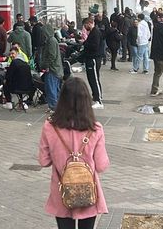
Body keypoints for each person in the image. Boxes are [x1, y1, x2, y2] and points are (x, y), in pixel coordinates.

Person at [38, 78, 110, 229]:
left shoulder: (50, 126)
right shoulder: (95, 129)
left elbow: (44, 161)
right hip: (87, 191)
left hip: (61, 191)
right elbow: (102, 165)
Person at [81, 16, 105, 109]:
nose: (84, 28)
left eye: (85, 25)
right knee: (92, 79)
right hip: (91, 58)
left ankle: (99, 100)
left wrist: (85, 43)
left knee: (94, 79)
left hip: (94, 59)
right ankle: (95, 96)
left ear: (89, 24)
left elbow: (94, 46)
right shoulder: (93, 32)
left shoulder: (96, 32)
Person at [38, 25, 63, 111]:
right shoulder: (52, 40)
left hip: (52, 69)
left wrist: (46, 66)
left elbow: (52, 56)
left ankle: (53, 107)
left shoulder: (51, 41)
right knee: (55, 88)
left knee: (51, 89)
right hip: (56, 69)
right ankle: (57, 106)